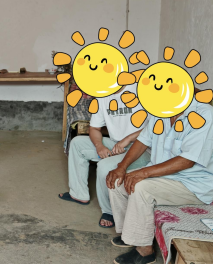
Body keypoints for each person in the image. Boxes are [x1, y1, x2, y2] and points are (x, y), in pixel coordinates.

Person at [106, 99, 213, 264]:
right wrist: (121, 167)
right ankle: (129, 234)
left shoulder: (205, 115)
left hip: (193, 183)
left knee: (141, 188)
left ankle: (144, 251)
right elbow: (142, 141)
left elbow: (187, 161)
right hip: (162, 176)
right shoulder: (161, 109)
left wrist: (144, 173)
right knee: (117, 181)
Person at [59, 84, 151, 227]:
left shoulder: (140, 89)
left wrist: (128, 139)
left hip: (142, 148)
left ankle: (109, 211)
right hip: (116, 145)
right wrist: (99, 146)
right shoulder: (103, 96)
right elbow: (94, 128)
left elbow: (154, 126)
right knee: (77, 143)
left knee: (104, 165)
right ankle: (79, 194)